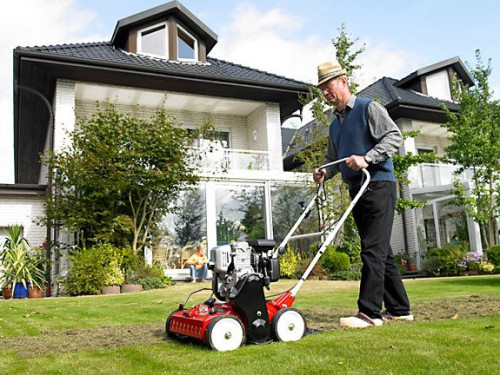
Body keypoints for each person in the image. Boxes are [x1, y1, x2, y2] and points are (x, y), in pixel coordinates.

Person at [313, 60, 413, 328]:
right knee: (382, 251)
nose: (325, 92)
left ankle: (369, 312)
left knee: (372, 250)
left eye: (328, 85)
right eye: (322, 88)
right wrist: (325, 172)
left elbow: (394, 137)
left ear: (343, 82)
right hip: (357, 190)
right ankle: (400, 309)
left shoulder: (369, 108)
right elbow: (334, 159)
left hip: (379, 184)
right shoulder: (334, 125)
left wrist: (367, 158)